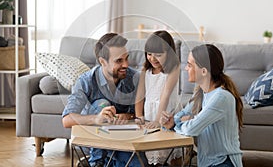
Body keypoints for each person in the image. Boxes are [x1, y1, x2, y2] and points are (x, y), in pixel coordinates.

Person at [62, 33, 145, 167]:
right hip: (95, 143)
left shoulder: (134, 78)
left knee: (139, 164)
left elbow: (141, 113)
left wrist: (127, 116)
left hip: (123, 141)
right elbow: (67, 120)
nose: (126, 64)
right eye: (119, 61)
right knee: (102, 104)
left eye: (127, 58)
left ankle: (107, 162)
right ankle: (97, 162)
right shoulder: (86, 81)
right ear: (102, 61)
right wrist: (96, 119)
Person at [160, 44, 244, 167]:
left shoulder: (221, 97)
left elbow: (190, 129)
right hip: (207, 163)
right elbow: (178, 117)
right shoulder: (202, 94)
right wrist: (172, 123)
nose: (186, 69)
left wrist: (187, 121)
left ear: (204, 71)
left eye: (189, 65)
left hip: (223, 162)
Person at [135, 30, 182, 165]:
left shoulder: (174, 68)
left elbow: (165, 94)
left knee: (172, 152)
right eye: (149, 54)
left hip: (167, 113)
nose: (153, 58)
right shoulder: (146, 71)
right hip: (150, 113)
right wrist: (139, 116)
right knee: (154, 152)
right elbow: (140, 95)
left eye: (158, 55)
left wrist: (157, 120)